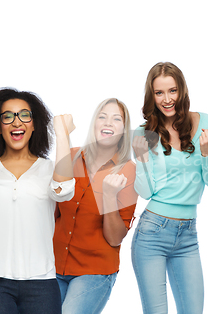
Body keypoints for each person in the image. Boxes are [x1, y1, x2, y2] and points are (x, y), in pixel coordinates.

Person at [0, 88, 76, 314]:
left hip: (42, 284)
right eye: (8, 116)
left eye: (24, 115)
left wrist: (62, 134)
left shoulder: (52, 170)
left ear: (34, 124)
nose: (16, 122)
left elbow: (63, 191)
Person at [131, 62, 208, 314]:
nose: (167, 99)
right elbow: (145, 192)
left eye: (172, 91)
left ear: (182, 90)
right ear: (152, 96)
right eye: (159, 93)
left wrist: (206, 154)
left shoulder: (206, 123)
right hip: (152, 233)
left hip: (188, 235)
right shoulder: (143, 133)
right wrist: (142, 160)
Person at [53, 98, 137, 314]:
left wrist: (109, 197)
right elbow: (53, 212)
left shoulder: (128, 171)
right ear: (94, 123)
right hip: (54, 264)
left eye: (116, 119)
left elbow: (115, 238)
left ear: (123, 130)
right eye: (103, 116)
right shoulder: (70, 157)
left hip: (94, 270)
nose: (108, 122)